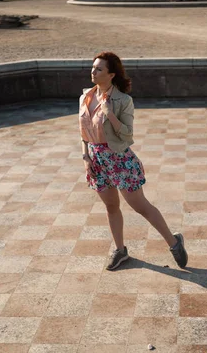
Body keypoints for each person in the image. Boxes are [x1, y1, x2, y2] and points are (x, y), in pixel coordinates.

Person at [79, 52, 188, 271]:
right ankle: (120, 250)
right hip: (96, 161)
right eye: (93, 67)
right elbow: (83, 132)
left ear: (111, 74)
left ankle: (174, 242)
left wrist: (110, 114)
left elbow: (127, 135)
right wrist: (85, 156)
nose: (93, 71)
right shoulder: (85, 97)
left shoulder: (123, 101)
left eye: (99, 69)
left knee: (141, 207)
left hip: (119, 159)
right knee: (111, 206)